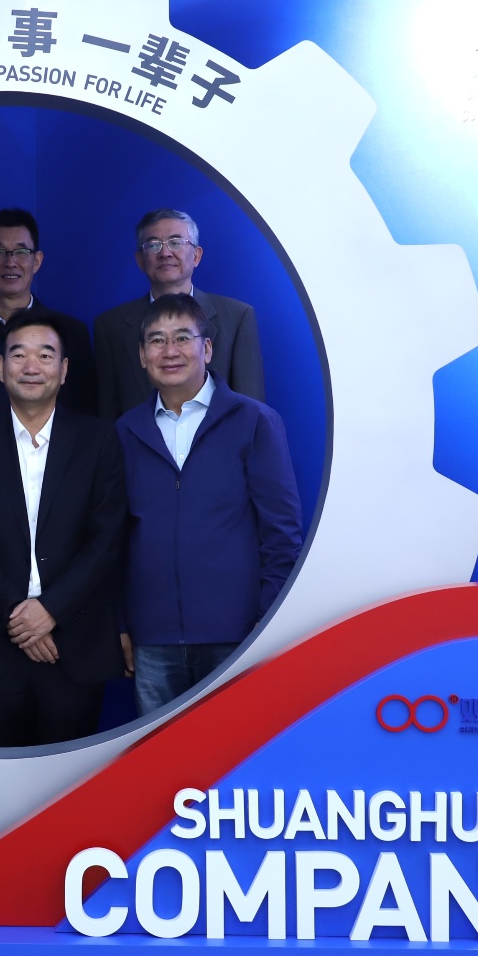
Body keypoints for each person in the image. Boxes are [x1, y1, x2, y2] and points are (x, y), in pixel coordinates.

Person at [0, 310, 127, 747]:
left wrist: (51, 610)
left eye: (45, 355)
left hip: (74, 643)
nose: (31, 366)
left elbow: (107, 539)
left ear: (64, 371)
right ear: (0, 368)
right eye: (18, 354)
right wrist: (18, 615)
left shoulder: (99, 440)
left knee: (74, 776)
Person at [116, 293, 302, 716]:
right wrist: (122, 624)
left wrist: (267, 621)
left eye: (183, 337)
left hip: (238, 634)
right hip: (153, 638)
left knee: (237, 747)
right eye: (157, 340)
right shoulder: (125, 432)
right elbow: (115, 538)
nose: (170, 351)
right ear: (142, 355)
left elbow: (282, 533)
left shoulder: (254, 421)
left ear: (208, 348)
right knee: (159, 752)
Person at [94, 208, 266, 419]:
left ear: (196, 255)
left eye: (176, 242)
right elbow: (108, 418)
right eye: (154, 244)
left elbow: (252, 412)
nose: (165, 253)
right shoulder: (110, 326)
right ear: (140, 260)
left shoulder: (237, 317)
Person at [0, 208, 97, 428]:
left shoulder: (71, 333)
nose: (10, 262)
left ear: (37, 260)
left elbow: (87, 415)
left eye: (21, 251)